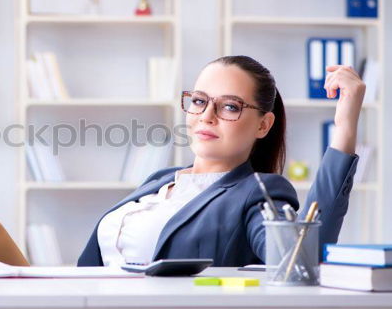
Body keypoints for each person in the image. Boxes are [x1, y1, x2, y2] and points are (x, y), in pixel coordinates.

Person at [78, 55, 364, 267]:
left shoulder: (256, 192)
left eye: (229, 106)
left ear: (263, 126)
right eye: (200, 101)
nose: (206, 116)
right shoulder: (159, 181)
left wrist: (345, 126)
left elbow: (299, 258)